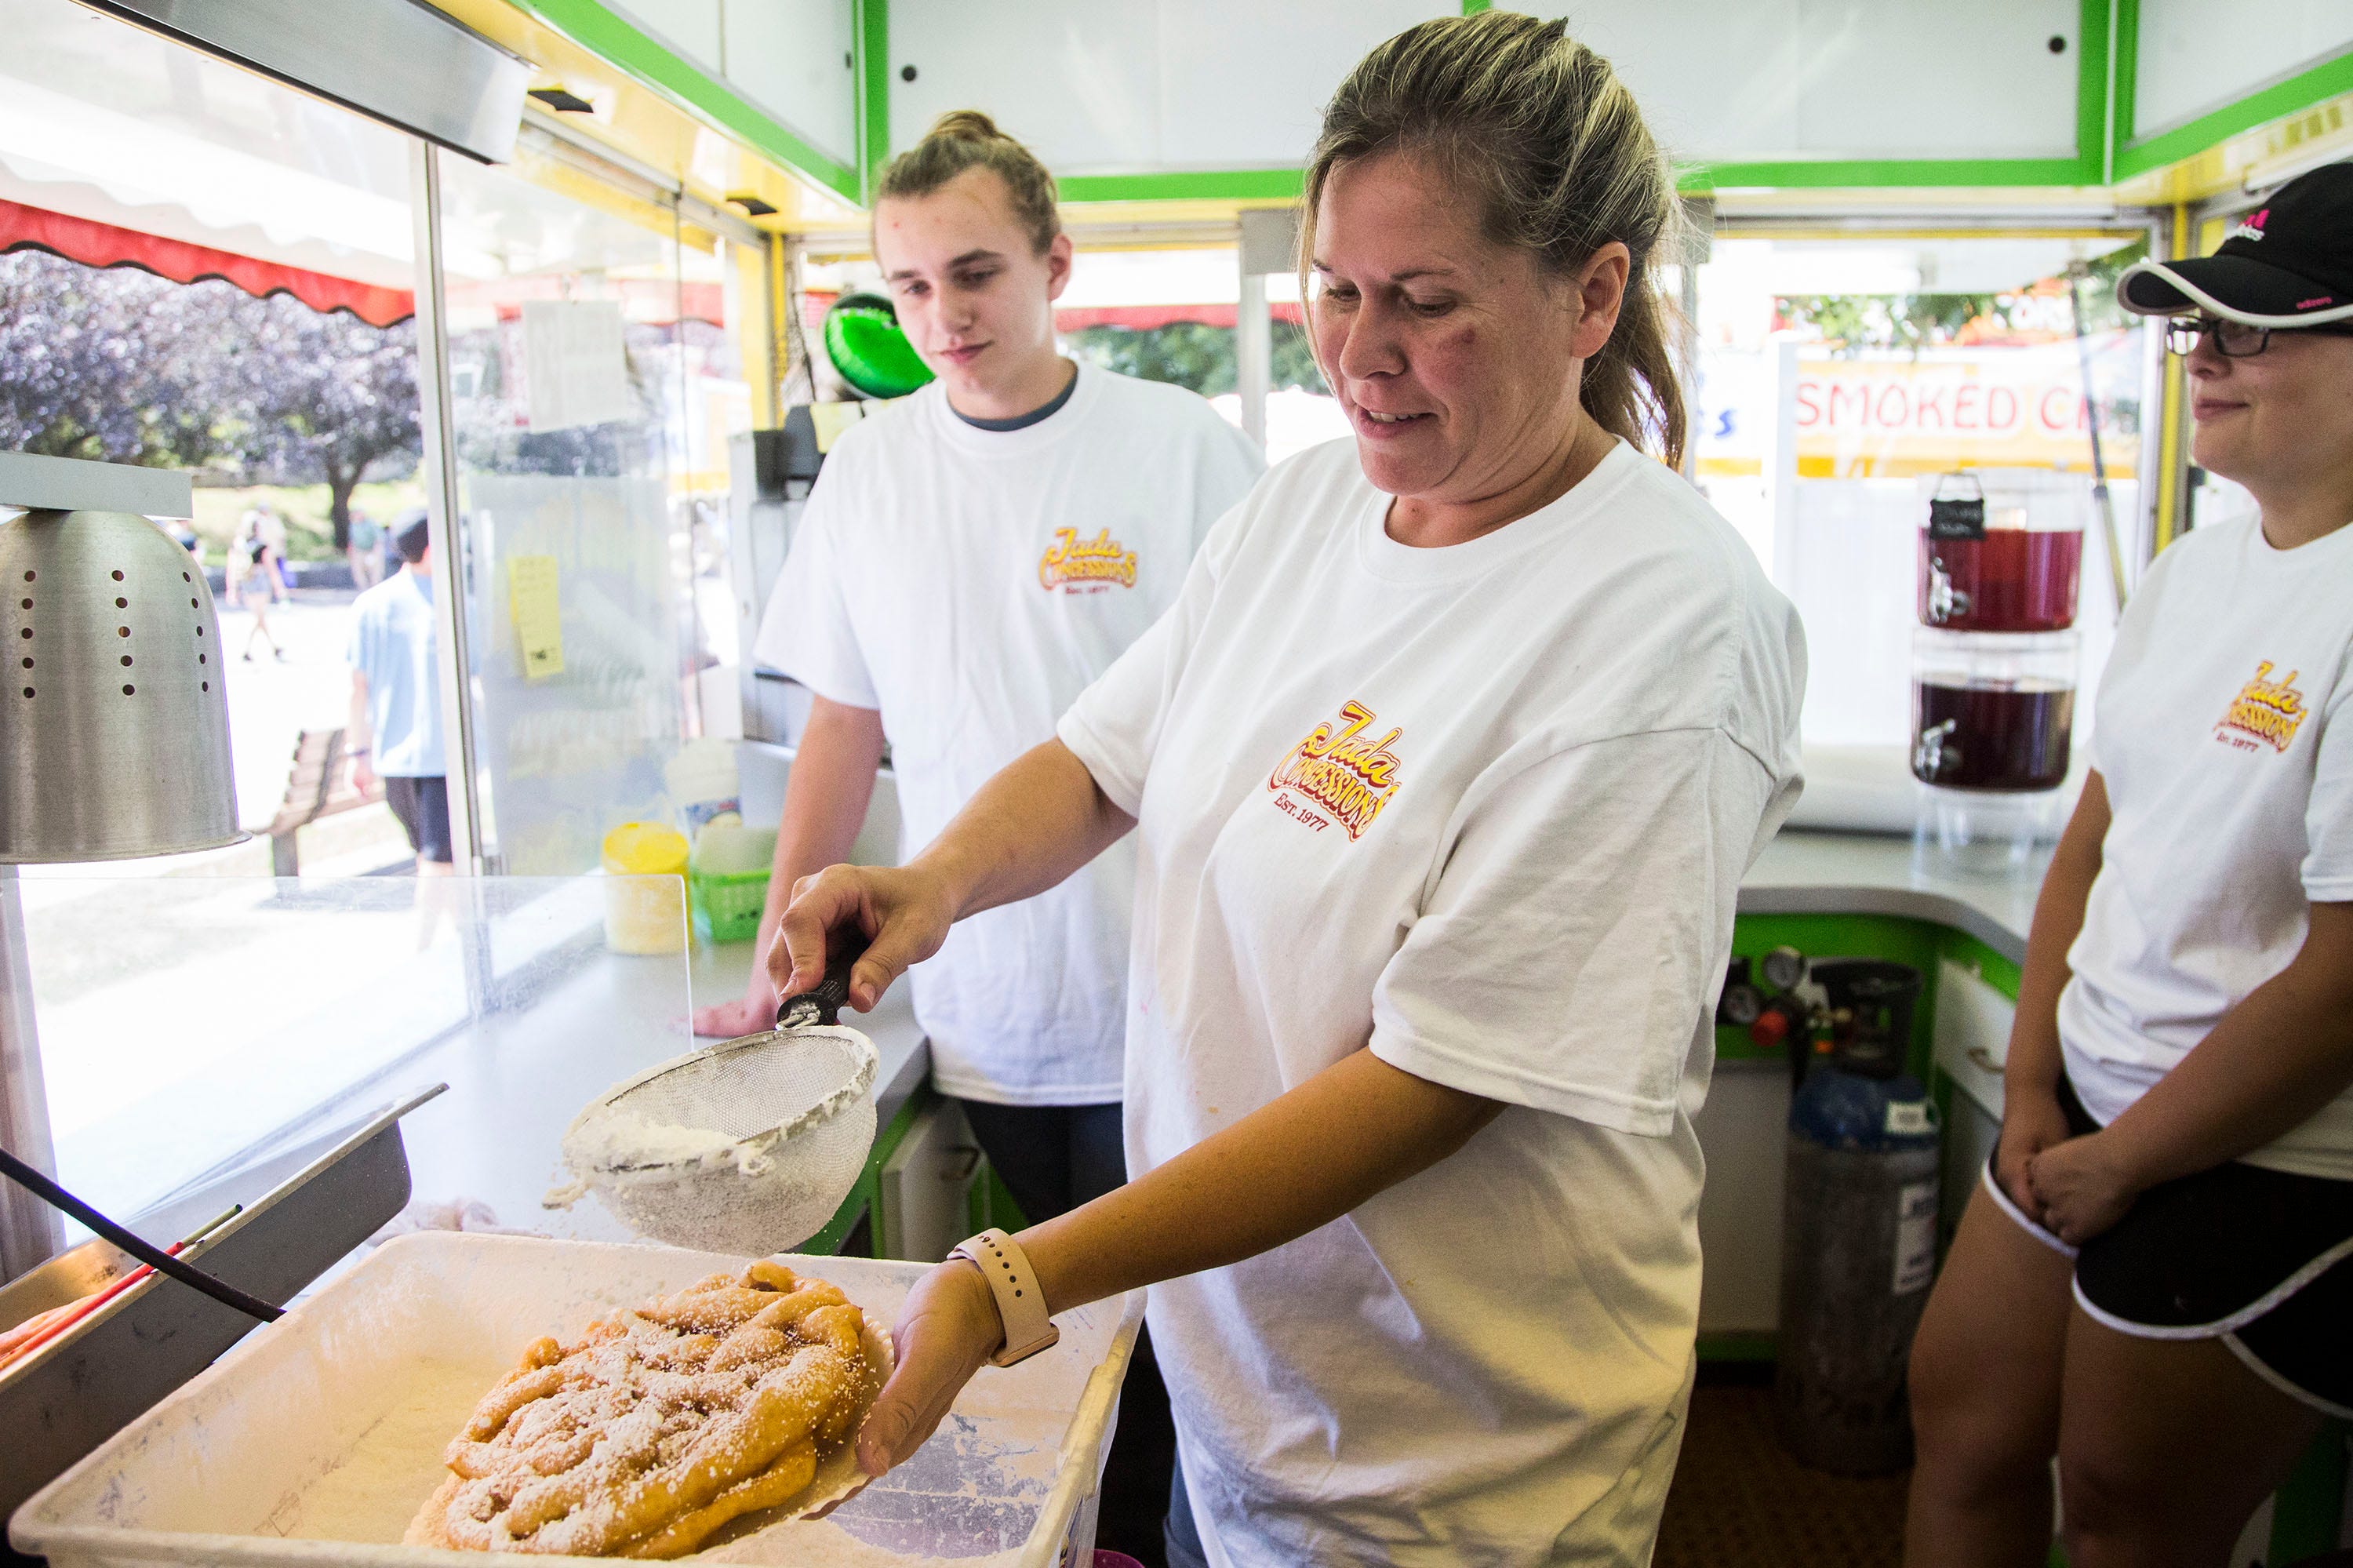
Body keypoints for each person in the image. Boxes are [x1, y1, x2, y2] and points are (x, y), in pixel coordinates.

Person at [768, 16, 1805, 1564]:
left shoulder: (1664, 621)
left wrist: (1012, 1281)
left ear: (1593, 294)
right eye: (1334, 290)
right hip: (1250, 1391)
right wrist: (935, 884)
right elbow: (1104, 759)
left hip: (1455, 1467)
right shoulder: (1316, 504)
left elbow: (1433, 1083)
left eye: (1426, 302)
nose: (1361, 351)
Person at [692, 111, 1262, 1553]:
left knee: (1195, 1335)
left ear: (1056, 261)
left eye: (976, 272)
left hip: (1175, 992)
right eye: (907, 286)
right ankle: (1114, 1538)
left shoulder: (1178, 446)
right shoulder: (874, 472)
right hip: (992, 999)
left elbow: (1265, 705)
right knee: (1063, 1328)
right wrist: (777, 960)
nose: (942, 315)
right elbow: (843, 723)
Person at [1906, 166, 2353, 1568]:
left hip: (2266, 1157)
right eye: (2197, 324)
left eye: (2258, 326)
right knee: (1963, 1425)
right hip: (2088, 1097)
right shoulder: (2192, 572)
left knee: (2120, 1513)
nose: (2207, 353)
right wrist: (2034, 1085)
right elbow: (2094, 844)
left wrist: (2130, 1161)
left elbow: (2343, 983)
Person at [347, 511, 453, 875]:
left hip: (392, 760)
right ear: (430, 549)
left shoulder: (368, 605)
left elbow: (357, 689)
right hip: (439, 758)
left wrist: (358, 754)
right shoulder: (449, 605)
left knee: (433, 858)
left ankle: (456, 934)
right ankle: (429, 936)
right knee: (440, 866)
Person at [228, 509, 283, 661]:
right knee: (259, 616)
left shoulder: (239, 544)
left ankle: (274, 646)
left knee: (259, 616)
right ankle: (247, 648)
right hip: (260, 580)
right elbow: (271, 567)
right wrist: (279, 587)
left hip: (246, 581)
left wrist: (232, 589)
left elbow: (232, 567)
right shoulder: (263, 546)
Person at [347, 510, 384, 591]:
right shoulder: (353, 525)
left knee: (376, 573)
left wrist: (375, 553)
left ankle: (375, 589)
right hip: (359, 551)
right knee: (357, 571)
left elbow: (379, 539)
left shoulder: (371, 524)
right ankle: (363, 589)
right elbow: (352, 540)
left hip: (372, 550)